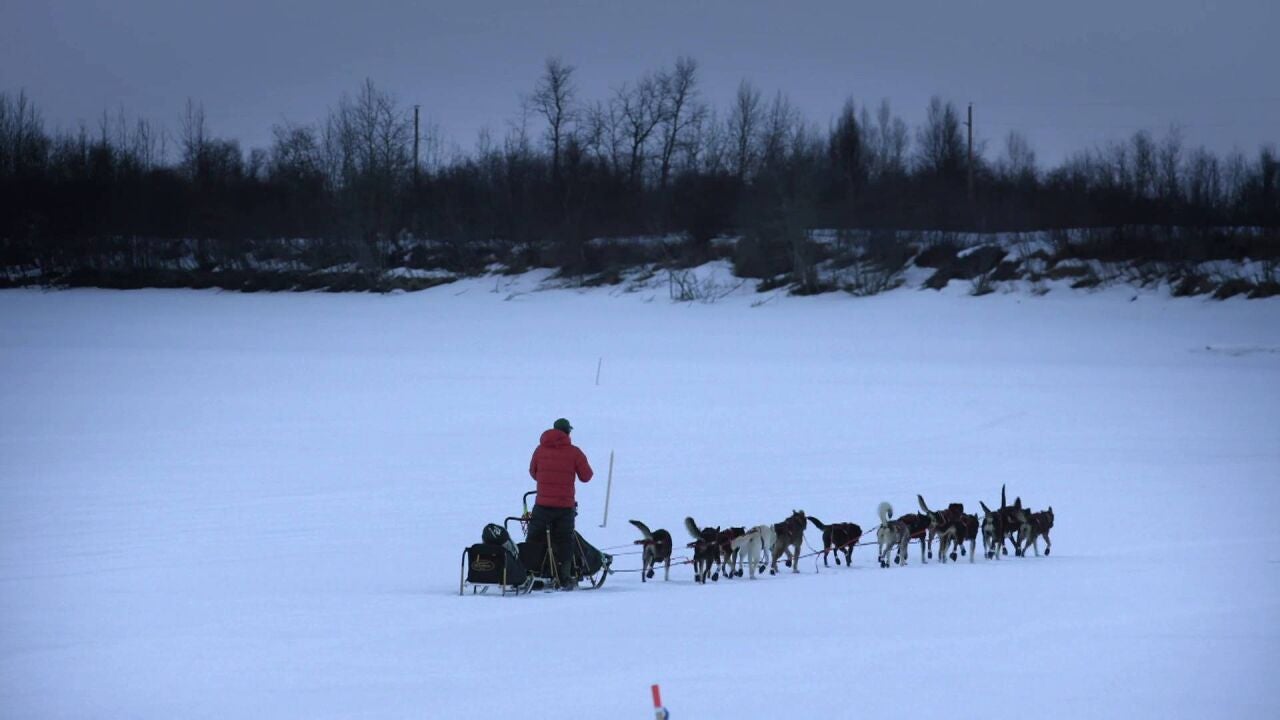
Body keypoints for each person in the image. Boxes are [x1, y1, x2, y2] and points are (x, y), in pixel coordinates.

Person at [525, 418, 593, 589]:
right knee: (564, 540)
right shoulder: (574, 452)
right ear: (568, 432)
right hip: (564, 507)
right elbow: (586, 476)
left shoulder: (539, 450)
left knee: (534, 538)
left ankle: (531, 572)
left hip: (541, 505)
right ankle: (565, 576)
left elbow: (533, 472)